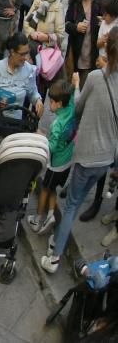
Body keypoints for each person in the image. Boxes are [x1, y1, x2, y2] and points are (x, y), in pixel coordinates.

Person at [41, 30, 118, 273]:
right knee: (77, 198)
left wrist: (75, 87)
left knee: (72, 203)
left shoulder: (96, 77)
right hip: (106, 160)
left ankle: (54, 257)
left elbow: (77, 109)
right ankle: (57, 239)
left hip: (86, 157)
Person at [29, 76, 79, 236]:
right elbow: (74, 96)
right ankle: (51, 215)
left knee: (45, 188)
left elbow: (52, 147)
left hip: (55, 164)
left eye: (51, 101)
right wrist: (75, 84)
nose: (49, 104)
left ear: (59, 103)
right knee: (53, 189)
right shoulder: (72, 108)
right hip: (68, 162)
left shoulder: (57, 124)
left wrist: (42, 137)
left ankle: (37, 220)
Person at [23, 0, 66, 68]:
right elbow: (26, 21)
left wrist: (46, 37)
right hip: (32, 50)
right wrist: (31, 33)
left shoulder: (58, 6)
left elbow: (61, 35)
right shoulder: (38, 0)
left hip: (46, 55)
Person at [65, 0, 101, 87]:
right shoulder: (75, 3)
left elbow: (106, 21)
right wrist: (76, 27)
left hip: (91, 59)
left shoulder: (98, 3)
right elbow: (66, 25)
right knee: (72, 92)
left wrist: (102, 22)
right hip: (75, 57)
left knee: (83, 94)